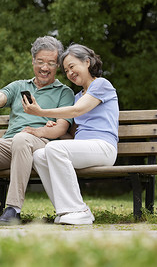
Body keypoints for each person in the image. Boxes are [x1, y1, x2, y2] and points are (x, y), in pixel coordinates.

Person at [0, 36, 75, 225]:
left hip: (40, 146)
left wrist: (38, 132)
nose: (45, 67)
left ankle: (13, 209)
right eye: (41, 62)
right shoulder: (18, 86)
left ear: (58, 66)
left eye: (51, 63)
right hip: (10, 145)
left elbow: (61, 128)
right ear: (33, 61)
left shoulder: (64, 93)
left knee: (22, 139)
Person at [22, 43, 119, 225]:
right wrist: (53, 130)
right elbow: (73, 138)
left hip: (104, 147)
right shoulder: (77, 96)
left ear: (87, 62)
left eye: (72, 66)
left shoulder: (101, 84)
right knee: (39, 155)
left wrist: (40, 112)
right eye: (66, 70)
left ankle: (80, 210)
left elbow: (76, 111)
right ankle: (65, 210)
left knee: (53, 149)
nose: (70, 73)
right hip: (86, 149)